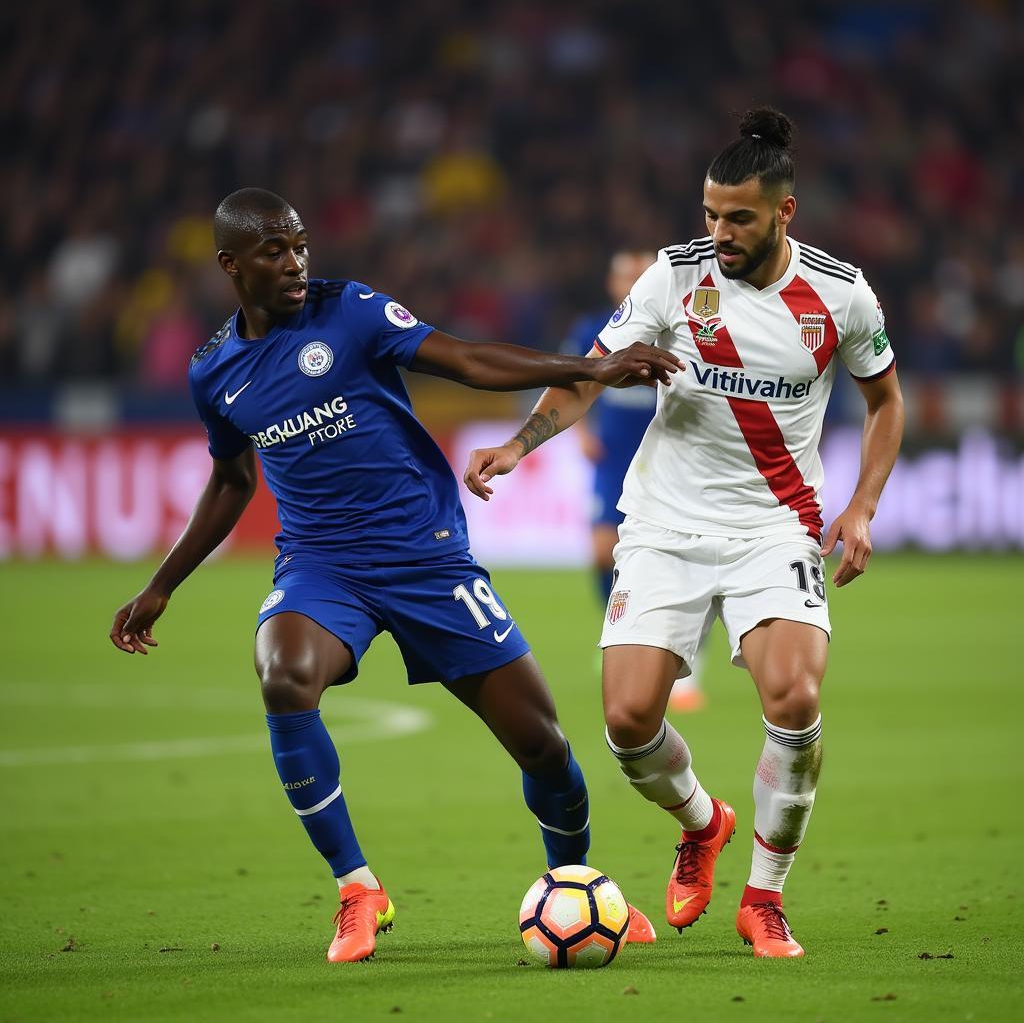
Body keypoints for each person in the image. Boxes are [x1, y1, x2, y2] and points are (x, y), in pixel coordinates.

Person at [108, 188, 678, 963]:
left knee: (544, 747)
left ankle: (573, 880)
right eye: (274, 250)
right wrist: (162, 584)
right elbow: (232, 482)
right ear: (230, 265)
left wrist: (591, 368)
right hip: (321, 565)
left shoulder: (350, 311)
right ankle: (357, 889)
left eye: (300, 243)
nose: (295, 261)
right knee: (282, 674)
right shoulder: (215, 373)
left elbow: (468, 358)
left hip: (425, 556)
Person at [464, 108, 904, 958]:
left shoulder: (841, 294)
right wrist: (519, 445)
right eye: (709, 213)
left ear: (785, 212)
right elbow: (589, 378)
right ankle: (701, 824)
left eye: (738, 216)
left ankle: (764, 898)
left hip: (776, 527)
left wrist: (861, 507)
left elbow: (887, 402)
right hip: (664, 524)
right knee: (627, 724)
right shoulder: (671, 279)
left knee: (796, 699)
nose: (719, 231)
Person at [565, 250, 705, 714]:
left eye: (637, 275)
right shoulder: (595, 331)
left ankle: (688, 660)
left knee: (683, 563)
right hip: (613, 460)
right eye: (623, 273)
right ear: (611, 282)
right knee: (603, 552)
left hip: (667, 461)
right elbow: (573, 382)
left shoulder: (674, 327)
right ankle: (619, 633)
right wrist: (582, 434)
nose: (629, 282)